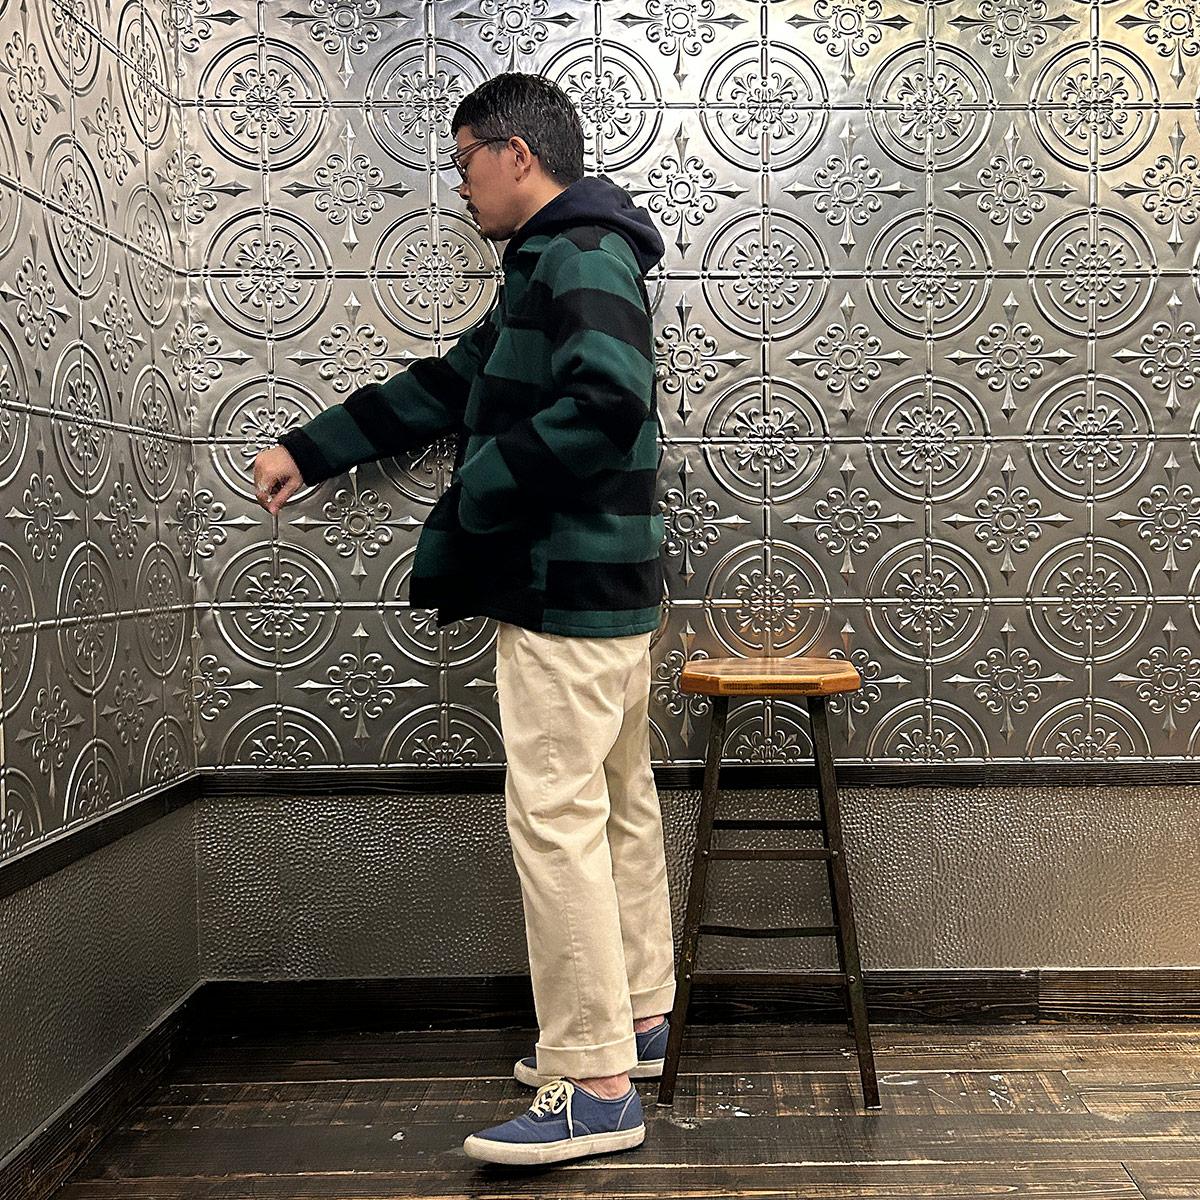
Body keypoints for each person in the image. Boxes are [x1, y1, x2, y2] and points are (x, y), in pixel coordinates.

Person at [251, 72, 676, 1167]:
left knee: (558, 820)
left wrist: (481, 489)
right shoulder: (566, 256)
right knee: (614, 808)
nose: (460, 187)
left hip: (562, 589)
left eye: (463, 163)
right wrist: (312, 449)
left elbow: (608, 400)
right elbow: (452, 384)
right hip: (605, 589)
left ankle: (596, 1084)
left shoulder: (578, 254)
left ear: (515, 154)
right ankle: (636, 1025)